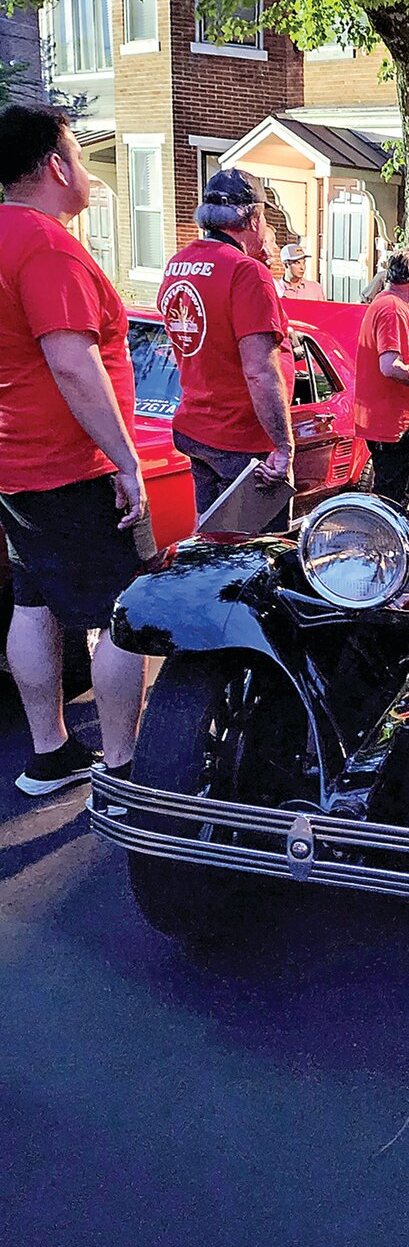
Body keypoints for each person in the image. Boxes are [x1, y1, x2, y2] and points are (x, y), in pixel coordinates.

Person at [0, 104, 151, 795]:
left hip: (15, 468)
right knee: (126, 609)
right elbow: (72, 365)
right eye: (81, 157)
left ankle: (50, 755)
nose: (85, 169)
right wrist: (126, 459)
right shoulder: (47, 245)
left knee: (33, 601)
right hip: (67, 468)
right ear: (56, 166)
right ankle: (123, 768)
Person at [158, 169, 296, 529]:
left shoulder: (178, 265)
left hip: (196, 427)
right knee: (256, 556)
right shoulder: (246, 273)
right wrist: (283, 447)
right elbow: (259, 371)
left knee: (212, 542)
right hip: (242, 441)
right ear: (252, 218)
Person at [353, 246, 409, 509]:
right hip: (391, 426)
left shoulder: (388, 305)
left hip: (392, 424)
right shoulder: (391, 309)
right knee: (391, 500)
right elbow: (390, 366)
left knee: (392, 493)